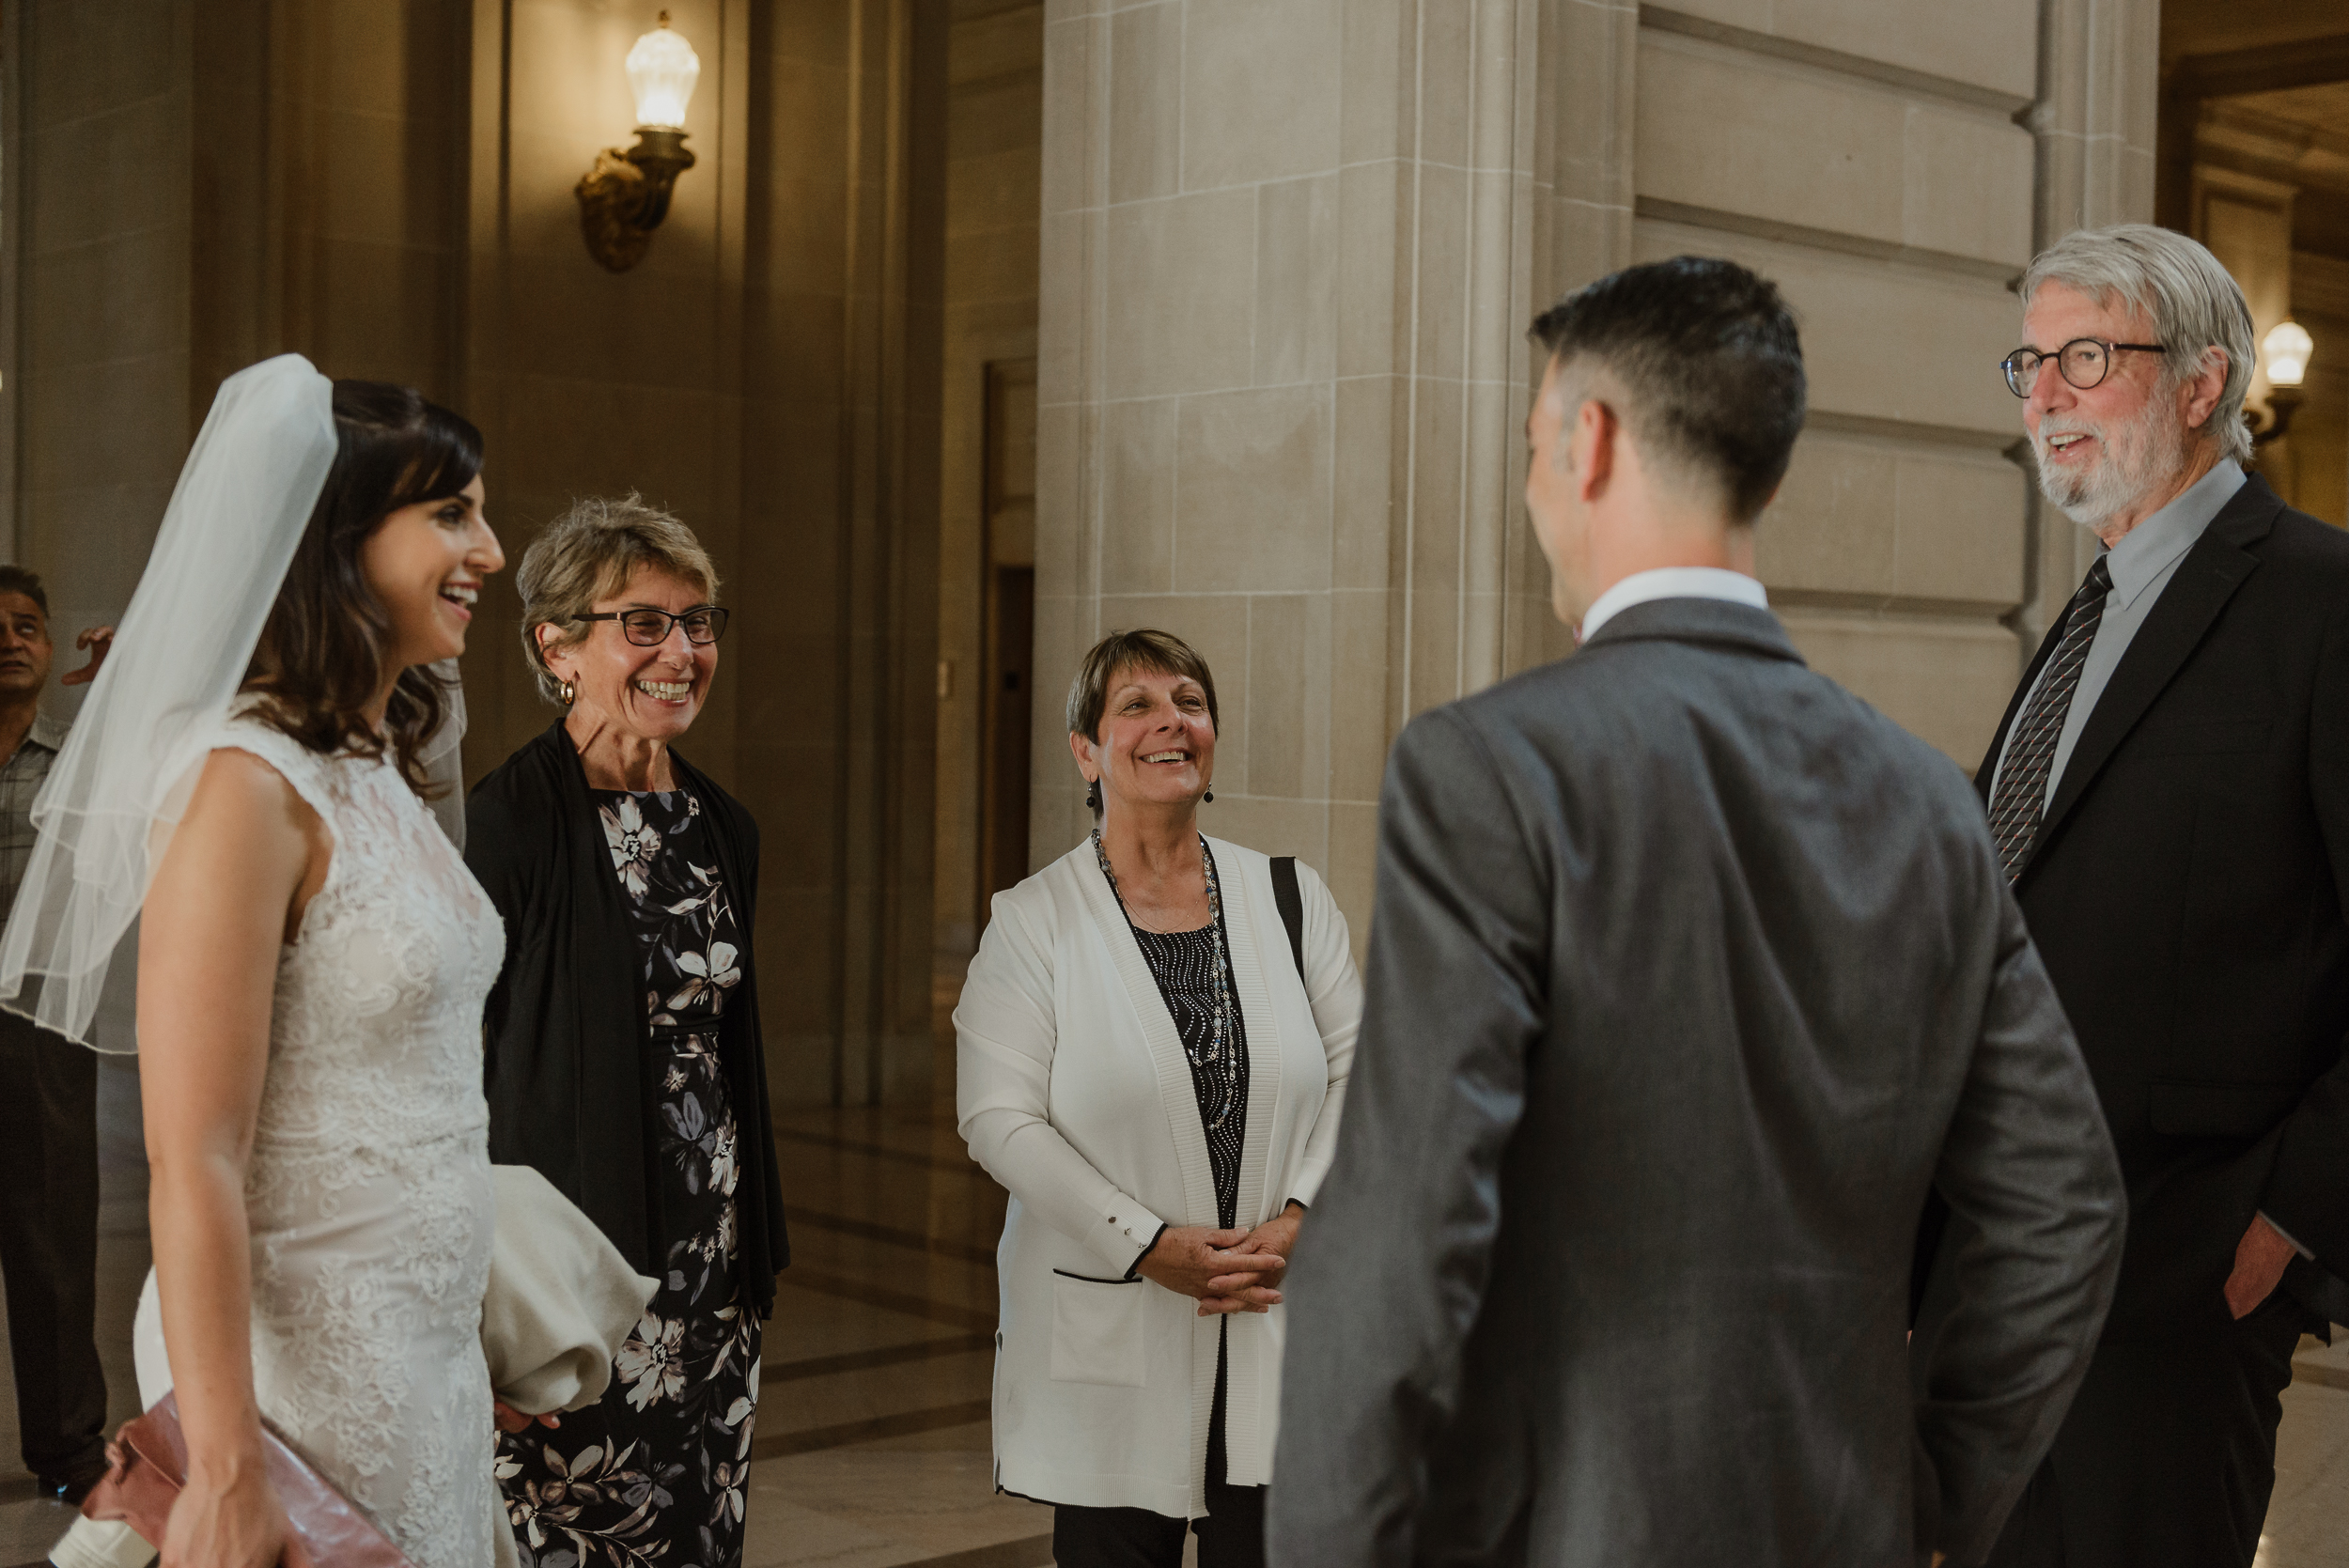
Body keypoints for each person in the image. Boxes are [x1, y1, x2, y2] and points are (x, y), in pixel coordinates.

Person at [1265, 257, 2127, 1568]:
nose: (1532, 490)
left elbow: (1397, 1244)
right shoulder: (1928, 800)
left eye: (1531, 448)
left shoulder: (1491, 768)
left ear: (1589, 441)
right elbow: (2065, 1205)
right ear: (1765, 475)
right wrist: (1931, 1497)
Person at [0, 357, 510, 1568]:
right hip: (296, 1379)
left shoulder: (373, 762)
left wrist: (472, 1318)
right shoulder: (244, 784)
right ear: (336, 536)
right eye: (451, 513)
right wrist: (227, 1470)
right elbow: (197, 1151)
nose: (491, 549)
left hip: (424, 1358)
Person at [1908, 224, 2349, 1568]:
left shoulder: (2324, 602)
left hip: (2174, 1282)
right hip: (1983, 1271)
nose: (2043, 396)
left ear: (2205, 382)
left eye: (2086, 357)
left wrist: (2287, 1221)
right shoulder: (2089, 612)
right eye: (2029, 362)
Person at [955, 629, 1361, 1568]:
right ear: (1086, 751)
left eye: (1189, 700)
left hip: (1270, 1314)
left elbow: (1362, 1071)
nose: (1170, 720)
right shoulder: (1033, 922)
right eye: (1134, 704)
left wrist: (1305, 1214)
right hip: (1113, 1318)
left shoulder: (1290, 897)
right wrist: (1144, 1242)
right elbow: (997, 1118)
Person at [466, 495, 787, 1568]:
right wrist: (468, 1307)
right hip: (577, 1267)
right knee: (586, 1539)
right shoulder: (500, 826)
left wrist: (743, 1253)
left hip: (714, 1260)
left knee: (702, 1528)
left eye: (697, 623)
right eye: (641, 623)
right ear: (554, 644)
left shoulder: (719, 824)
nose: (681, 651)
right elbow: (452, 1068)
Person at [0, 568, 114, 1503]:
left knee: (51, 1246)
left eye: (28, 624)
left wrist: (132, 692)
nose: (11, 637)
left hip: (40, 1028)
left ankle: (70, 1453)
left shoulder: (79, 762)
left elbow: (169, 803)